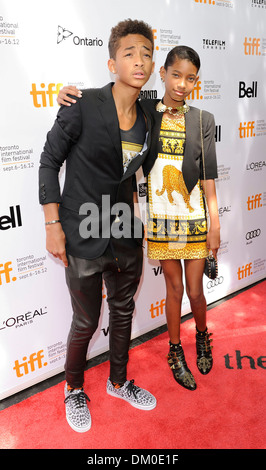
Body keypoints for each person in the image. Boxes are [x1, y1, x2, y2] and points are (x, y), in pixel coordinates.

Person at [58, 46, 220, 392]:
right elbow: (112, 103)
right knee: (174, 288)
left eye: (190, 78)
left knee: (195, 290)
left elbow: (209, 179)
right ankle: (175, 352)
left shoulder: (203, 120)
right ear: (162, 74)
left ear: (196, 81)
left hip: (194, 218)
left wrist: (215, 224)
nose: (181, 84)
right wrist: (71, 95)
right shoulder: (146, 112)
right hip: (161, 219)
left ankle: (203, 336)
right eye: (175, 75)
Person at [39, 19, 157, 434]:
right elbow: (49, 162)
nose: (139, 60)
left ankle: (118, 382)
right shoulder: (83, 103)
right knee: (86, 322)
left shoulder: (150, 114)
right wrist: (53, 224)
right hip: (82, 230)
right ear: (112, 62)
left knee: (123, 313)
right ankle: (73, 389)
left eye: (146, 52)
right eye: (129, 53)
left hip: (125, 231)